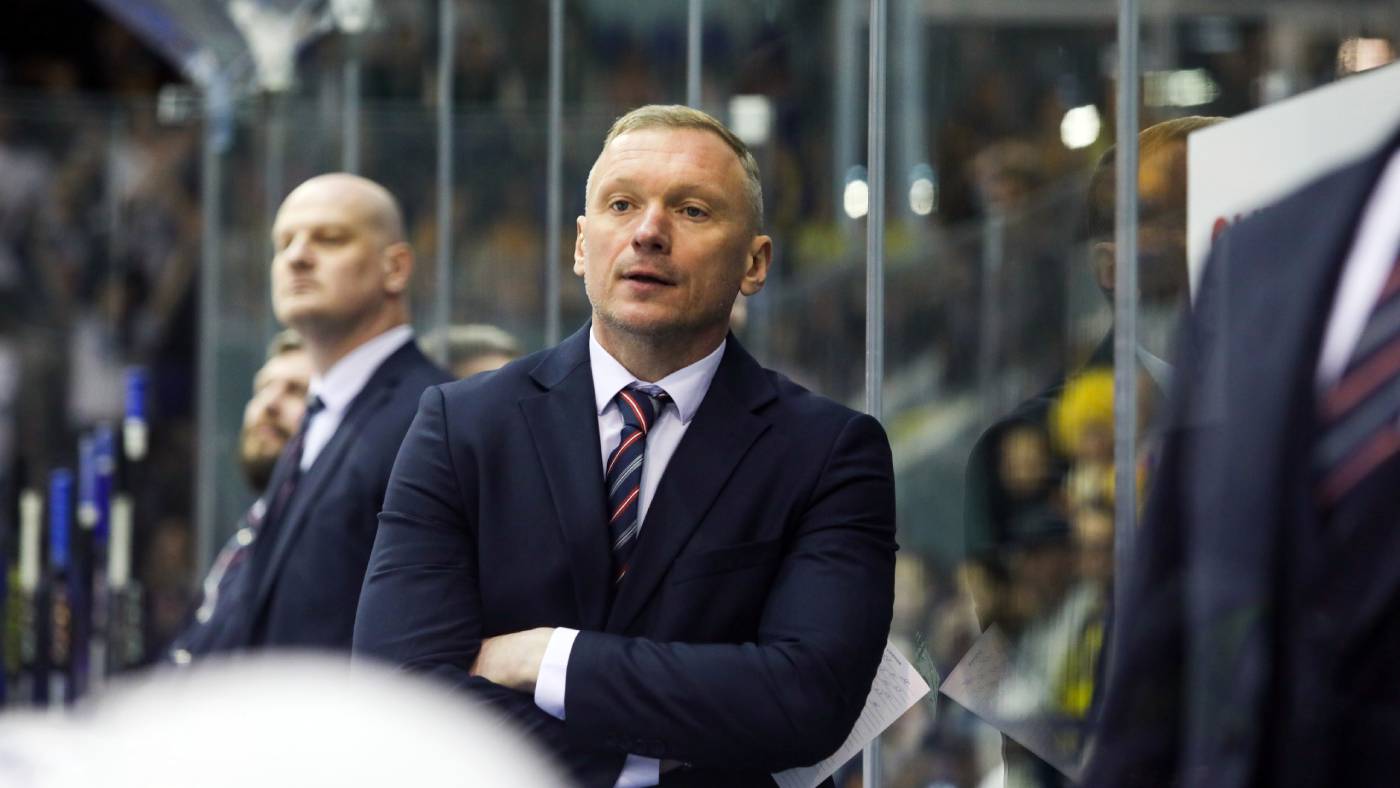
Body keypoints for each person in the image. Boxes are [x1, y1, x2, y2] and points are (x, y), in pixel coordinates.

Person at [353, 105, 897, 787]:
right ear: (583, 246)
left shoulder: (828, 452)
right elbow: (397, 692)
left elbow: (804, 700)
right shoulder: (461, 425)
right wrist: (646, 755)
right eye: (621, 205)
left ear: (755, 263)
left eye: (692, 211)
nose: (648, 232)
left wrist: (549, 659)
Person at [1082, 124, 1400, 787]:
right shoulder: (1261, 259)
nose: (1143, 245)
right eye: (1132, 218)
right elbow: (1162, 657)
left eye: (1157, 215)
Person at [181, 173, 449, 658]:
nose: (297, 256)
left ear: (395, 268)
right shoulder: (317, 417)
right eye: (283, 243)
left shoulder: (433, 414)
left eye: (329, 238)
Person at [167, 330, 313, 660]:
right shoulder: (254, 526)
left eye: (295, 390)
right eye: (262, 388)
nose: (269, 404)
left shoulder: (306, 537)